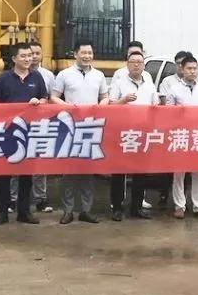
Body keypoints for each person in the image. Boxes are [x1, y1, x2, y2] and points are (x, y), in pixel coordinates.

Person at [50, 39, 109, 225]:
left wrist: (100, 106)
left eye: (90, 53)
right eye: (83, 53)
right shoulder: (64, 74)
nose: (87, 56)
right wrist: (68, 107)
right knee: (68, 171)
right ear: (75, 54)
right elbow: (53, 97)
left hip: (91, 127)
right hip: (69, 128)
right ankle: (68, 211)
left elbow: (105, 96)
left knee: (88, 172)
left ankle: (86, 210)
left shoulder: (99, 75)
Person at [0, 42, 48, 226]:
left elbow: (45, 98)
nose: (28, 59)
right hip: (8, 132)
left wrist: (39, 102)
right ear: (14, 58)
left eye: (30, 55)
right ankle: (2, 212)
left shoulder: (37, 76)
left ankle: (24, 211)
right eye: (23, 56)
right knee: (5, 175)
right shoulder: (3, 78)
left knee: (26, 175)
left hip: (30, 131)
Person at [108, 50, 158, 221]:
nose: (136, 65)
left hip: (143, 134)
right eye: (133, 62)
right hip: (123, 133)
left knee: (141, 172)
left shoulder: (149, 85)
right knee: (119, 172)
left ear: (144, 65)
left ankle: (137, 207)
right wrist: (123, 100)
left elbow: (156, 108)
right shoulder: (119, 83)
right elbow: (109, 107)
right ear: (127, 65)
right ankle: (117, 207)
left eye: (139, 62)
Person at [165, 54, 198, 219]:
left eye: (195, 68)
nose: (192, 71)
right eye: (189, 68)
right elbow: (168, 113)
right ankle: (180, 205)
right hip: (181, 135)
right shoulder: (174, 89)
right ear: (182, 69)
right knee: (179, 172)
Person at [11, 40, 54, 213]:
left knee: (39, 165)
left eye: (35, 54)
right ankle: (13, 199)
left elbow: (48, 98)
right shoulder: (8, 76)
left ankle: (40, 199)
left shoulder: (45, 76)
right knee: (15, 164)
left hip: (38, 126)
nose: (32, 57)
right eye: (28, 54)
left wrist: (40, 103)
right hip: (15, 126)